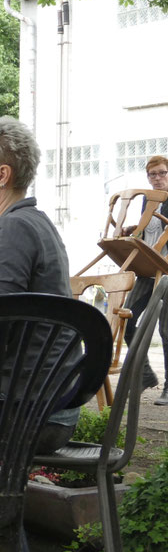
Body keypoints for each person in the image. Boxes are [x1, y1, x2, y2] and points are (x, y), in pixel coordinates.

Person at [0, 116, 80, 451]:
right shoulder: (35, 222)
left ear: (1, 175)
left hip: (29, 413)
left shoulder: (14, 230)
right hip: (51, 407)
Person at [120, 155, 168, 403]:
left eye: (162, 173)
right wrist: (132, 231)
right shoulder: (148, 201)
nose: (157, 178)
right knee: (126, 318)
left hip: (167, 272)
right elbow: (145, 230)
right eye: (153, 174)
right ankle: (146, 374)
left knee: (166, 329)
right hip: (147, 269)